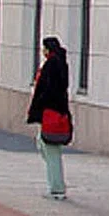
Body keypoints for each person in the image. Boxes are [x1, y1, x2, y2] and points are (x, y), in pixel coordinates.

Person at [26, 36, 70, 199]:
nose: (42, 52)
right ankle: (57, 185)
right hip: (54, 111)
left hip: (51, 112)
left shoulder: (52, 64)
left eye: (44, 48)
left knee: (51, 149)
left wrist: (39, 107)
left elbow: (47, 89)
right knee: (44, 144)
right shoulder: (59, 63)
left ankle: (57, 188)